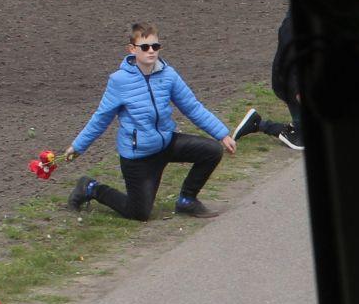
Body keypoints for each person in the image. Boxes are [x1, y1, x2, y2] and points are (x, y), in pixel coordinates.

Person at [63, 21, 269, 220]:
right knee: (139, 213)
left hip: (166, 143)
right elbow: (101, 118)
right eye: (145, 47)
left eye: (155, 46)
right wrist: (78, 147)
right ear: (132, 49)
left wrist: (222, 134)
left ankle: (187, 200)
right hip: (139, 155)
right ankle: (90, 187)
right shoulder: (119, 81)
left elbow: (192, 106)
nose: (151, 51)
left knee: (212, 151)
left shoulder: (168, 75)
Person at [269, 12, 305, 151]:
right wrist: (296, 90)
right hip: (289, 84)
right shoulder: (292, 25)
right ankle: (260, 124)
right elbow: (289, 61)